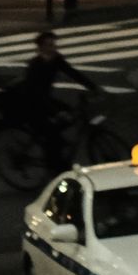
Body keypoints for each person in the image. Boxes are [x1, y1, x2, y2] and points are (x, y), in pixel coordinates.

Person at [20, 28, 93, 172]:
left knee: (70, 115)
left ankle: (55, 146)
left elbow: (72, 73)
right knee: (51, 132)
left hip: (45, 99)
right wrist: (55, 112)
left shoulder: (56, 59)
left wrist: (93, 87)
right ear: (41, 47)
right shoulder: (35, 66)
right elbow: (36, 93)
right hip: (31, 104)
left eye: (54, 44)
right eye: (49, 45)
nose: (53, 47)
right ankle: (54, 168)